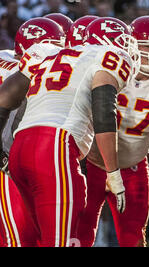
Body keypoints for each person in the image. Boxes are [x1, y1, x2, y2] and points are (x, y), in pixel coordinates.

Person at [0, 16, 139, 246]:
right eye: (123, 42)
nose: (127, 49)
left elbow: (5, 97)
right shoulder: (105, 56)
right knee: (60, 240)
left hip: (20, 149)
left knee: (36, 239)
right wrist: (113, 173)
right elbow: (104, 108)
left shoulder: (48, 55)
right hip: (54, 145)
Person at [76, 15, 149, 247]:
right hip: (91, 164)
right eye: (146, 45)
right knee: (79, 234)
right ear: (130, 44)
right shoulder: (108, 65)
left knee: (133, 238)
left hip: (132, 166)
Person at [0, 17, 65, 247]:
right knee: (19, 238)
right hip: (8, 161)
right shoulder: (31, 70)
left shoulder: (7, 56)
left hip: (11, 157)